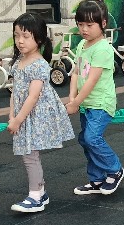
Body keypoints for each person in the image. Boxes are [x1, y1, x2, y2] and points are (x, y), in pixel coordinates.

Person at [7, 12, 76, 213]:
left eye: (25, 36)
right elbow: (15, 91)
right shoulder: (20, 61)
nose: (20, 41)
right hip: (24, 115)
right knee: (29, 154)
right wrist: (12, 114)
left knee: (30, 155)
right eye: (17, 35)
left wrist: (18, 119)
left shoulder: (39, 64)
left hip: (34, 116)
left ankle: (36, 196)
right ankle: (40, 193)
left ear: (38, 38)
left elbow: (33, 96)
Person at [65, 0, 124, 195]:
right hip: (86, 103)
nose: (84, 29)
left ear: (103, 23)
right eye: (80, 24)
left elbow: (92, 80)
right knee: (85, 139)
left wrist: (76, 102)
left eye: (89, 25)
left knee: (92, 138)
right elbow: (76, 72)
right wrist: (72, 98)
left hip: (100, 102)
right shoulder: (82, 45)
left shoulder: (103, 49)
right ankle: (97, 179)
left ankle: (115, 169)